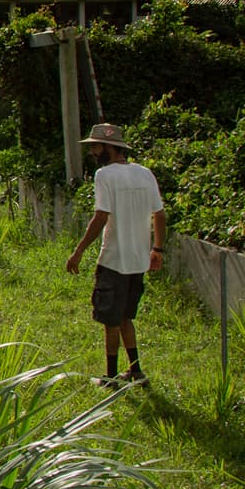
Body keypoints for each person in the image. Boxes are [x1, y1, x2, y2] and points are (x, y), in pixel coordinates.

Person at [65, 121, 166, 387]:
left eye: (96, 147)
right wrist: (157, 249)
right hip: (138, 260)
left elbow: (100, 217)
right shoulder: (145, 174)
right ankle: (136, 371)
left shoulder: (105, 176)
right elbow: (159, 214)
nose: (93, 153)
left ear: (110, 147)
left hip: (114, 259)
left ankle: (110, 377)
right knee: (125, 317)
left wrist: (78, 252)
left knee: (110, 320)